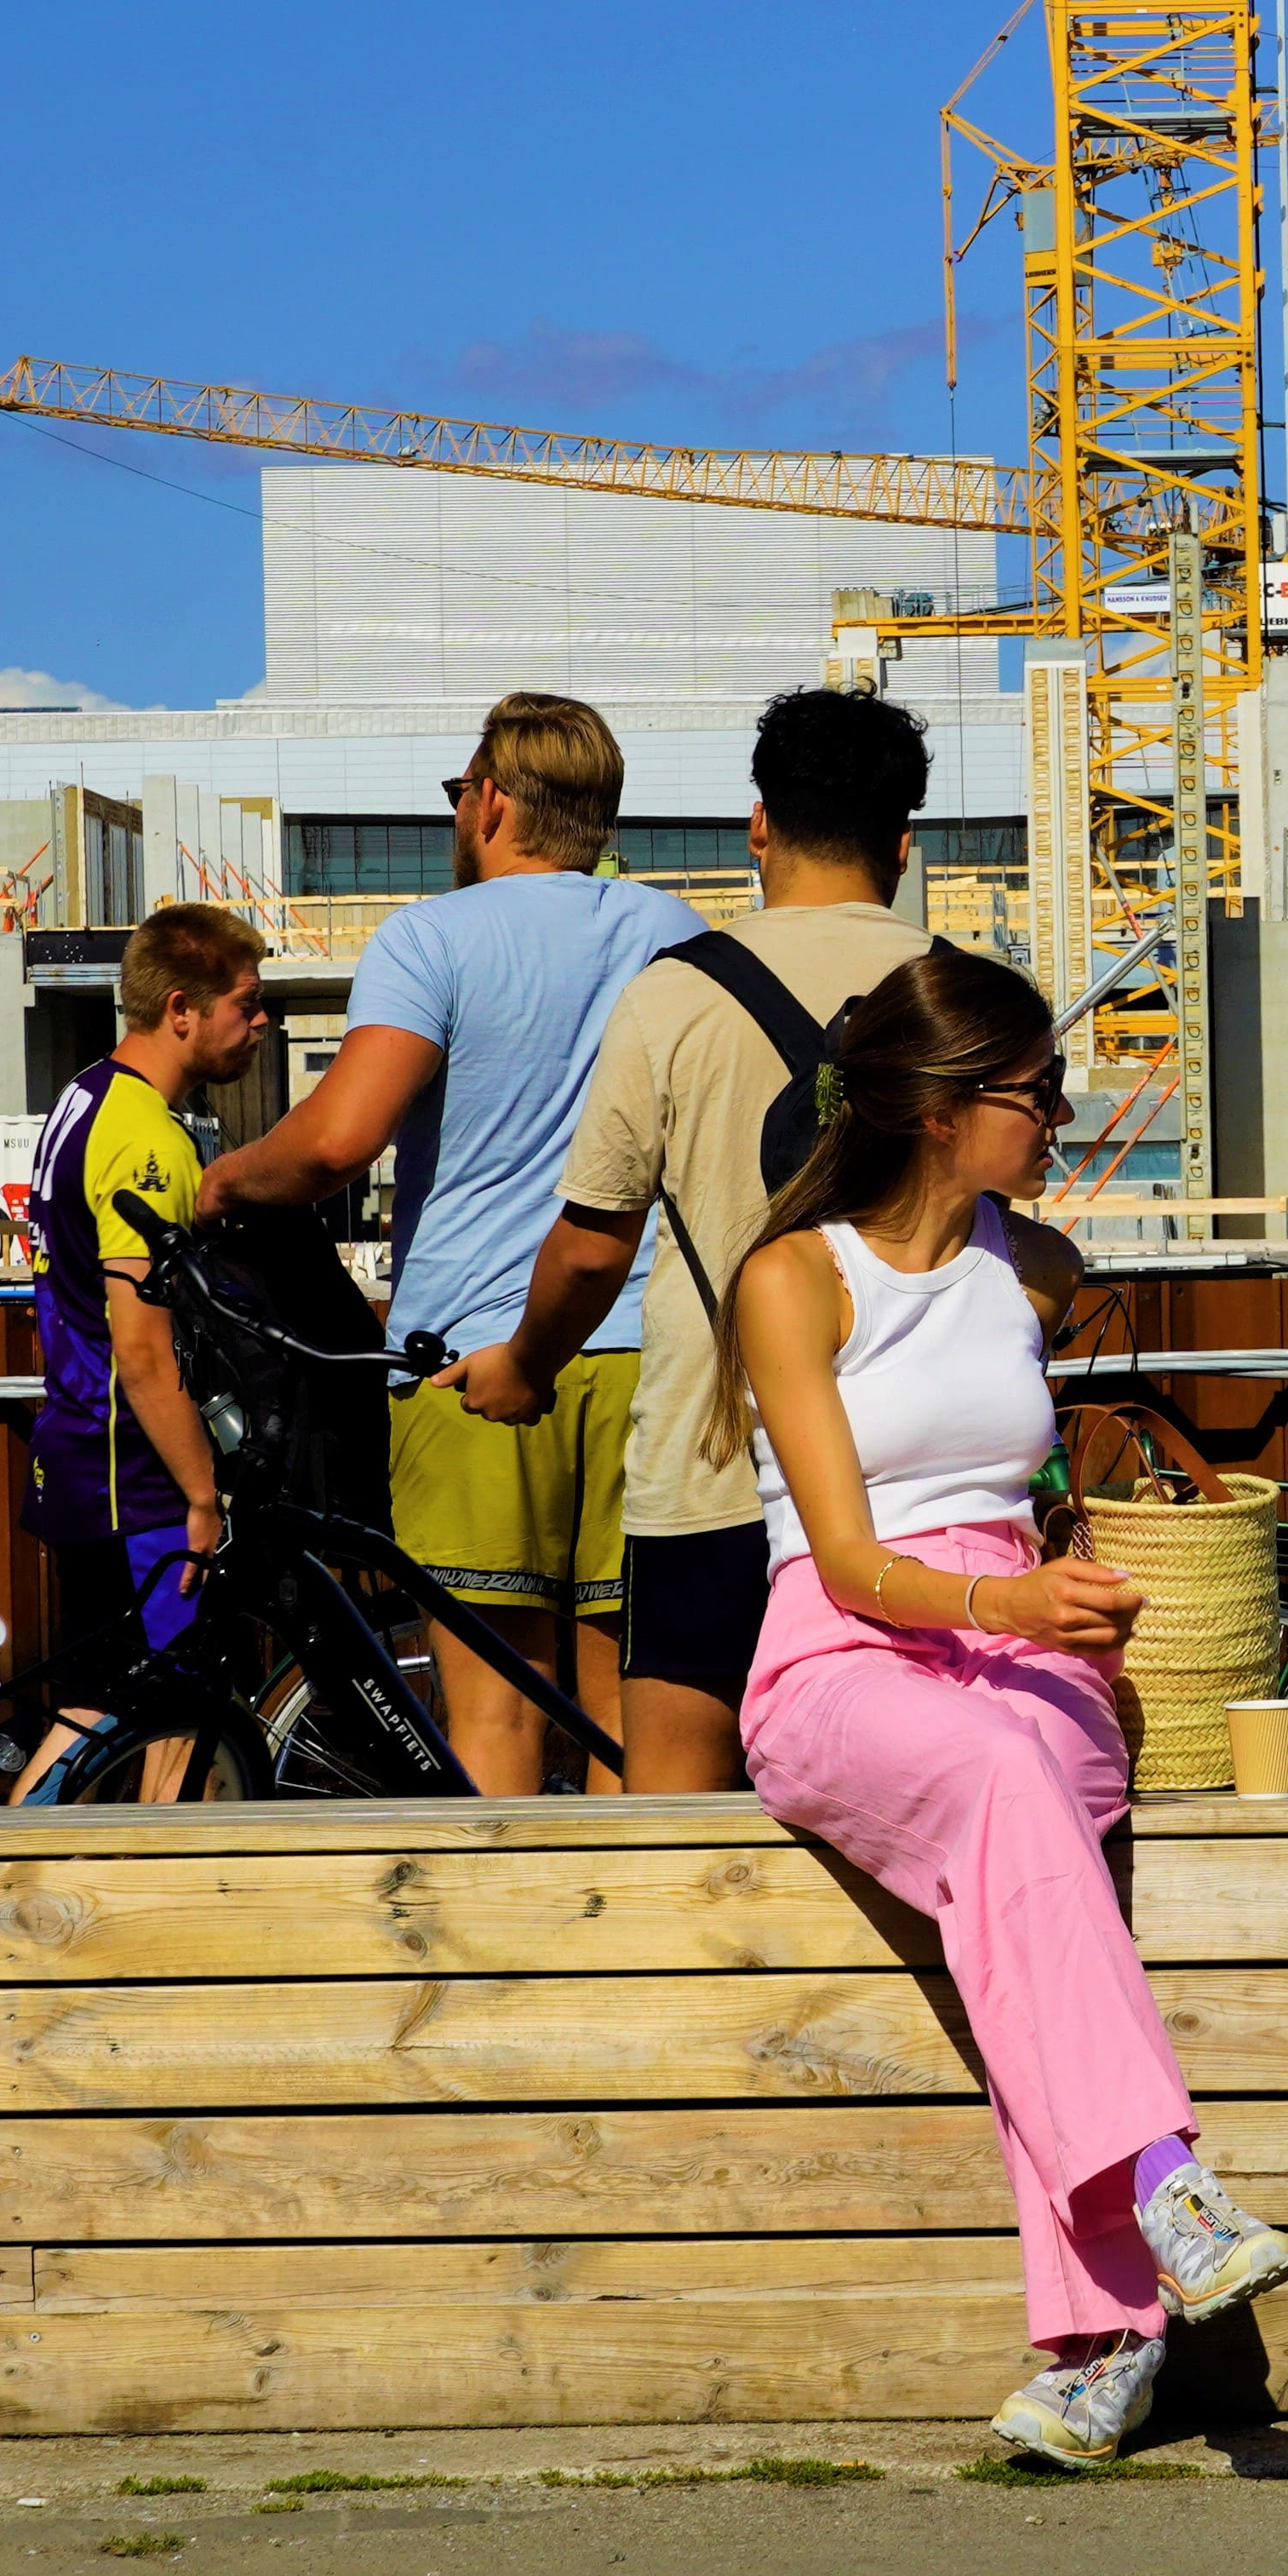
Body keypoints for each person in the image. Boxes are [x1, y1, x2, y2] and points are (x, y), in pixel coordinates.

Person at [713, 946, 1288, 2460]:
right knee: (998, 1781)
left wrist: (1074, 1577)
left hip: (1021, 1643)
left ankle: (1102, 2347)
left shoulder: (1034, 1267)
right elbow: (844, 1559)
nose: (1059, 1118)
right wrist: (1008, 1602)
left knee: (1025, 1810)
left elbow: (1038, 1483)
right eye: (1037, 1095)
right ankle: (1162, 2190)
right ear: (942, 1109)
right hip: (847, 1652)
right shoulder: (795, 1280)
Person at [201, 697, 698, 1793]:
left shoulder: (432, 938)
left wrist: (223, 1179)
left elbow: (337, 1141)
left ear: (493, 802)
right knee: (633, 1716)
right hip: (653, 1353)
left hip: (472, 1363)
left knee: (497, 1711)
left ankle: (511, 1960)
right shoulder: (678, 937)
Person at [461, 686, 937, 1795]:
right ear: (905, 844)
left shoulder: (675, 996)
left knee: (675, 1820)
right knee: (911, 1803)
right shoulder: (967, 1000)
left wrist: (527, 1366)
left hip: (712, 1469)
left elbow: (591, 1246)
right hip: (909, 1490)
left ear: (759, 827)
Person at [27, 903, 276, 1768]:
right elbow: (142, 1347)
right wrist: (203, 1497)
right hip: (135, 1478)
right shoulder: (148, 1141)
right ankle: (9, 1879)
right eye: (246, 1002)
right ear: (182, 1010)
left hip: (79, 1450)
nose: (262, 1020)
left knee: (103, 1708)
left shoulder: (83, 1097)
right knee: (161, 1720)